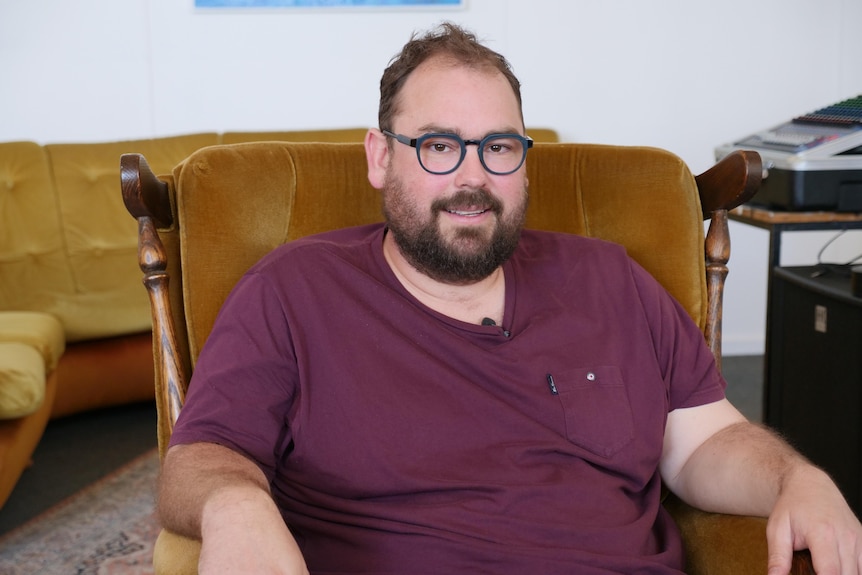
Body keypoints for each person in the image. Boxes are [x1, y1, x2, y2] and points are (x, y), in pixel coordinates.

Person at [158, 22, 862, 575]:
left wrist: (795, 479)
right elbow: (199, 456)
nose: (473, 177)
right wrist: (234, 502)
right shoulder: (293, 291)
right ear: (380, 156)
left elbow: (706, 441)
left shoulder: (610, 281)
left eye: (499, 147)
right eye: (438, 146)